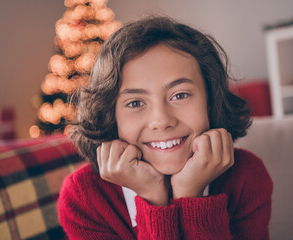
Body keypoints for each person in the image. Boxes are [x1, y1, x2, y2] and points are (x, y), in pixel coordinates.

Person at [58, 16, 273, 239]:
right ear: (111, 116)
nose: (161, 120)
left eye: (179, 95)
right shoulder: (83, 196)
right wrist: (152, 199)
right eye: (135, 103)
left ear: (210, 101)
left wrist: (191, 196)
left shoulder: (247, 176)